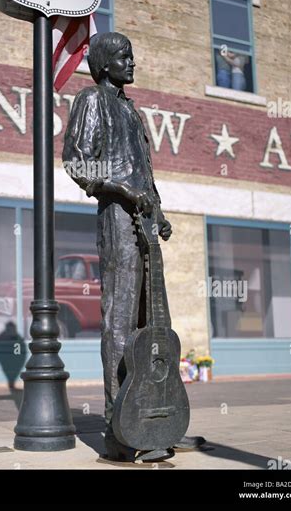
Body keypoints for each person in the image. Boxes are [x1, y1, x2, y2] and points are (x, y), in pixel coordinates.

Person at [63, 32, 203, 461]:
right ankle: (118, 424)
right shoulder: (91, 100)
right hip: (118, 217)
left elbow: (145, 171)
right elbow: (77, 161)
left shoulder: (131, 110)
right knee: (121, 319)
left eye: (132, 55)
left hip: (144, 218)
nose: (132, 62)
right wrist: (124, 191)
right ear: (104, 63)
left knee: (154, 319)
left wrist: (157, 212)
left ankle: (152, 418)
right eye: (125, 56)